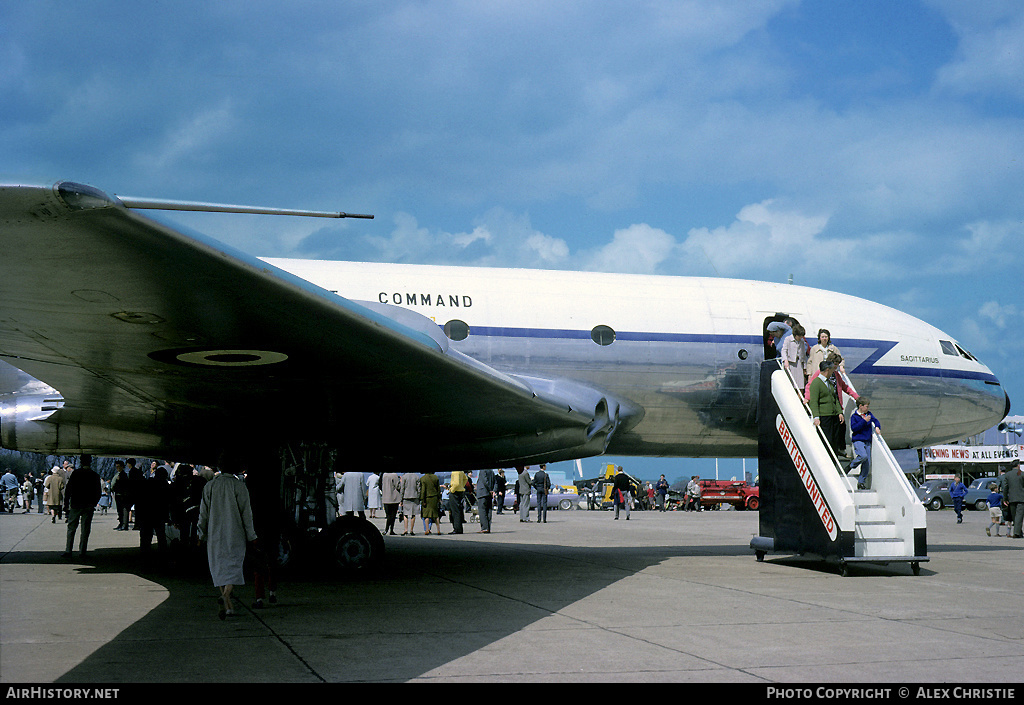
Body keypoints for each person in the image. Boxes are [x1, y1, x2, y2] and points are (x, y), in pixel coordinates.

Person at [198, 459, 258, 620]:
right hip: (235, 533)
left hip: (214, 533)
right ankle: (226, 597)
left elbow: (203, 513)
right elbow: (247, 514)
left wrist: (200, 534)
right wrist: (252, 535)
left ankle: (227, 603)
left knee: (218, 567)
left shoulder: (210, 486)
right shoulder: (240, 486)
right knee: (233, 566)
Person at [62, 455, 101, 558]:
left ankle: (68, 550)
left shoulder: (75, 473)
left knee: (71, 528)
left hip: (76, 504)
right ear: (90, 462)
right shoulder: (95, 475)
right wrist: (93, 502)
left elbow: (68, 489)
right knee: (85, 529)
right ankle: (82, 551)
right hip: (88, 505)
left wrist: (66, 503)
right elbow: (98, 492)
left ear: (81, 462)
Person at [136, 464, 170, 569]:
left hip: (146, 515)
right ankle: (162, 561)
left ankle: (145, 562)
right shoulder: (165, 486)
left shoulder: (147, 484)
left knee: (145, 539)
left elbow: (140, 500)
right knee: (161, 538)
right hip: (159, 516)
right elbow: (167, 503)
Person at [808, 360, 845, 456]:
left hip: (833, 416)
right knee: (827, 440)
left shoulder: (829, 382)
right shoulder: (816, 383)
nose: (833, 372)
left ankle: (834, 461)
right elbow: (814, 402)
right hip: (825, 416)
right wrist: (816, 417)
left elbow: (835, 398)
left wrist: (839, 412)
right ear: (827, 370)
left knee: (835, 440)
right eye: (832, 370)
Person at [849, 397, 881, 490]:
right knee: (863, 456)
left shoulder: (869, 414)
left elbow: (876, 420)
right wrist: (864, 421)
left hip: (867, 440)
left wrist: (877, 427)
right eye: (866, 406)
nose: (868, 408)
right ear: (860, 406)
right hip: (858, 439)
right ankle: (851, 465)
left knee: (867, 463)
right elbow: (854, 428)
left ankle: (861, 482)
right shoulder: (854, 417)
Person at [998, 459, 1024, 538]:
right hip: (1021, 498)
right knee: (1019, 515)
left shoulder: (1008, 475)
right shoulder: (1022, 474)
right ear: (1018, 465)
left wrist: (1005, 498)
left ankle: (1019, 532)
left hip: (1011, 498)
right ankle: (1016, 533)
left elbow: (1005, 488)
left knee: (1014, 515)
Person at [782, 323, 808, 390]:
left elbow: (803, 354)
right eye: (799, 336)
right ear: (795, 335)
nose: (800, 338)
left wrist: (805, 367)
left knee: (801, 385)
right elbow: (784, 350)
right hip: (791, 363)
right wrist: (785, 360)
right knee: (791, 384)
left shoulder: (802, 341)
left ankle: (799, 399)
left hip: (799, 364)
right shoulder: (788, 339)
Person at [110, 460, 131, 530]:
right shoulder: (118, 474)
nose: (117, 468)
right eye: (116, 467)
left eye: (118, 466)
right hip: (118, 494)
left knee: (123, 510)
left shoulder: (123, 475)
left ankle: (124, 525)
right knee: (120, 510)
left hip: (122, 495)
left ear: (122, 467)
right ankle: (121, 523)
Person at [419, 469, 441, 535]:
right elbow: (438, 489)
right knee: (435, 514)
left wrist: (422, 500)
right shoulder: (435, 477)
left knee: (426, 515)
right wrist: (438, 498)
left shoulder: (423, 479)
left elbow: (423, 490)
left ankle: (427, 530)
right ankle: (438, 530)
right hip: (434, 497)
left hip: (427, 498)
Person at [381, 469, 402, 536]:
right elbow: (398, 486)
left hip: (385, 497)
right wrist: (401, 481)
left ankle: (387, 530)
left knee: (388, 515)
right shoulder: (394, 475)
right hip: (393, 498)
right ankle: (389, 529)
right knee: (392, 515)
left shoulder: (384, 475)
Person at [399, 470, 421, 536]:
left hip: (406, 496)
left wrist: (401, 499)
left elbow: (402, 488)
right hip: (414, 496)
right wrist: (419, 496)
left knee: (405, 514)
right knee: (413, 514)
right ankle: (411, 530)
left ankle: (405, 529)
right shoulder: (417, 477)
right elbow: (419, 488)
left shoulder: (404, 477)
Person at [448, 469, 468, 534]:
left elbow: (456, 483)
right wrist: (462, 486)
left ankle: (457, 528)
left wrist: (452, 489)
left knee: (455, 511)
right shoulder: (461, 471)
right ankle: (459, 528)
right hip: (461, 491)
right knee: (459, 510)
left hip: (455, 492)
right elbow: (465, 479)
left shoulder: (455, 471)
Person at [476, 468, 495, 533]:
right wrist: (492, 490)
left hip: (483, 492)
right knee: (488, 510)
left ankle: (484, 527)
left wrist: (489, 489)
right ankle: (488, 527)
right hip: (489, 494)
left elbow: (485, 480)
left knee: (482, 510)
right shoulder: (491, 471)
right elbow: (494, 481)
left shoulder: (483, 470)